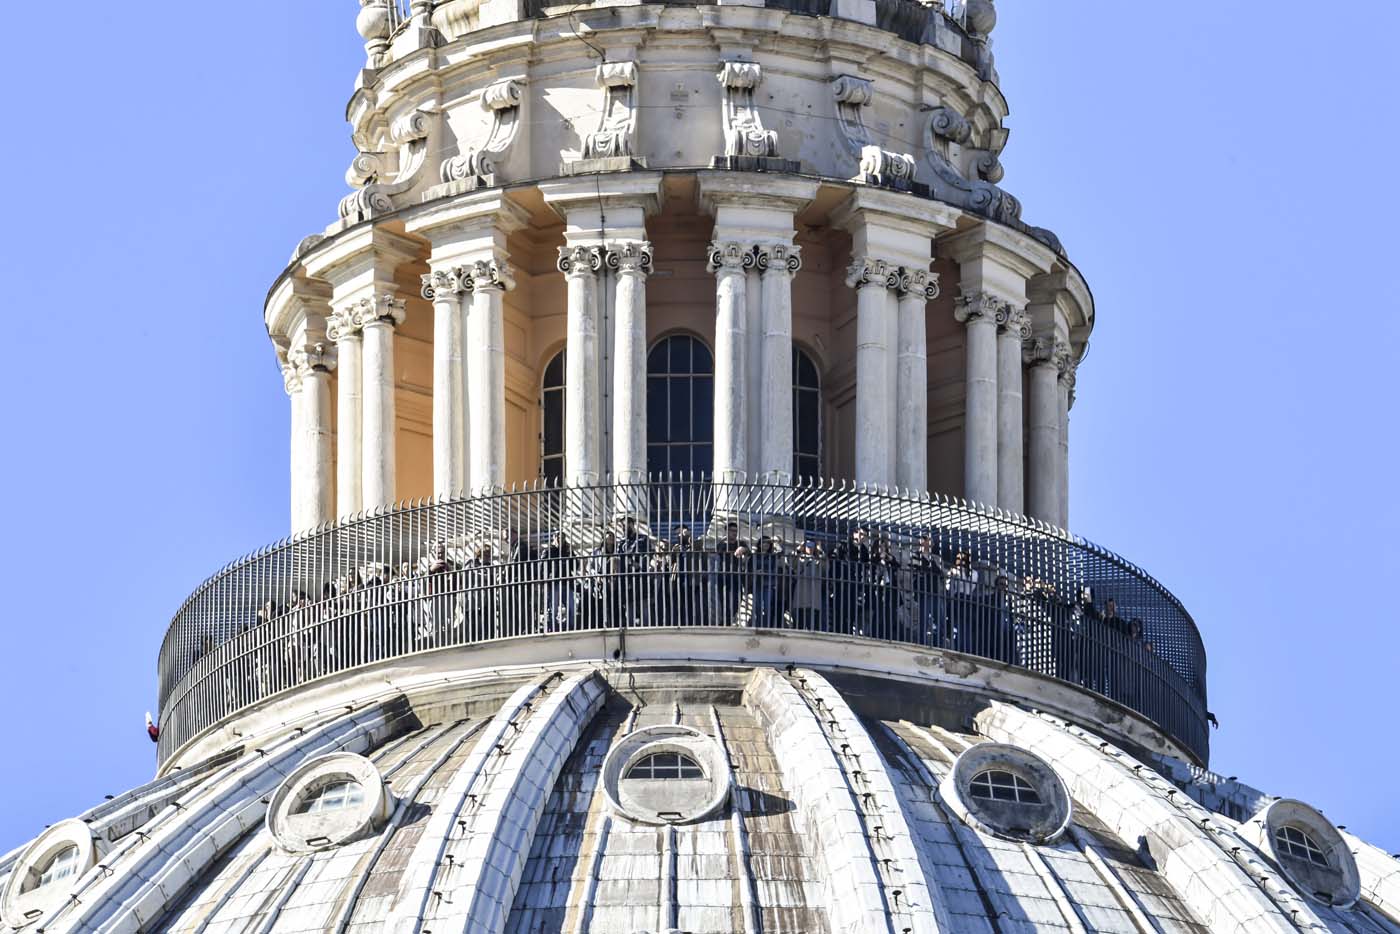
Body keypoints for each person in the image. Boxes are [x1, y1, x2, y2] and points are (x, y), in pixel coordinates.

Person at [908, 536, 946, 647]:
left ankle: (938, 643)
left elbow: (940, 574)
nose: (930, 543)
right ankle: (922, 643)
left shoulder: (934, 559)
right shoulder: (916, 556)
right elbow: (915, 571)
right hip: (923, 592)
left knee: (940, 621)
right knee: (923, 621)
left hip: (934, 592)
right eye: (928, 540)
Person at [791, 540, 825, 632]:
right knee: (799, 625)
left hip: (813, 596)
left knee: (813, 627)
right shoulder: (800, 558)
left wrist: (821, 551)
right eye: (808, 546)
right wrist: (798, 549)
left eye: (812, 547)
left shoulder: (818, 560)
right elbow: (790, 562)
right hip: (801, 594)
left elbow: (825, 568)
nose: (810, 549)